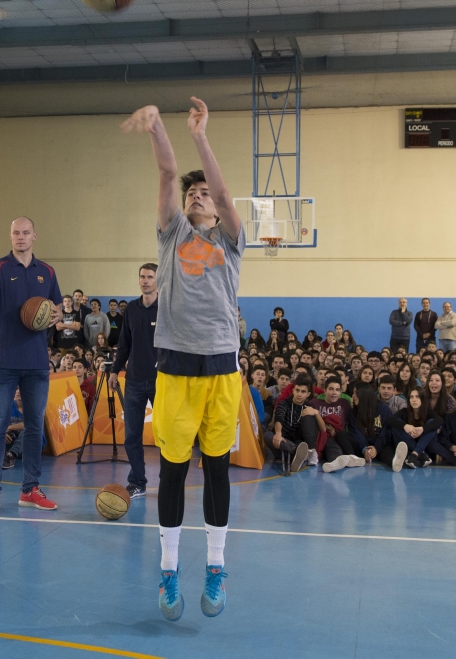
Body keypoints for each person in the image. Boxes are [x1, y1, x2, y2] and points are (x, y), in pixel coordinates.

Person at [122, 96, 243, 620]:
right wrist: (156, 127)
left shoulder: (231, 240)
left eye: (204, 194)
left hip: (221, 370)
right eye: (193, 193)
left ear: (215, 208)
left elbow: (223, 191)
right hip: (174, 368)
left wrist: (200, 136)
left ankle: (216, 567)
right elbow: (168, 174)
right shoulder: (171, 233)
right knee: (172, 471)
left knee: (216, 468)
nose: (198, 195)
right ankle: (169, 572)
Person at [0, 215, 62, 517]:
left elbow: (57, 306)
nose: (20, 237)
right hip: (3, 362)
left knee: (34, 426)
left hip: (36, 363)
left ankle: (30, 489)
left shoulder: (47, 271)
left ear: (35, 236)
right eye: (16, 233)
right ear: (10, 236)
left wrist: (56, 315)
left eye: (25, 232)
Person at [110, 263, 159, 499]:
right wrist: (114, 371)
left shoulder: (167, 308)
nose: (145, 280)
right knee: (131, 435)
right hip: (134, 381)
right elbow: (124, 344)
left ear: (158, 280)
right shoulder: (130, 308)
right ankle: (137, 482)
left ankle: (169, 481)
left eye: (149, 277)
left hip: (162, 381)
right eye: (142, 276)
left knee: (166, 435)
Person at [265, 373, 318, 472]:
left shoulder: (309, 407)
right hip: (282, 443)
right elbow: (279, 418)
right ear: (293, 390)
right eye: (297, 390)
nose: (299, 394)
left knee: (304, 440)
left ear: (308, 394)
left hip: (299, 441)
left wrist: (316, 413)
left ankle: (300, 455)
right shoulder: (284, 403)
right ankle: (297, 452)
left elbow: (319, 429)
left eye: (303, 391)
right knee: (267, 435)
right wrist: (278, 433)